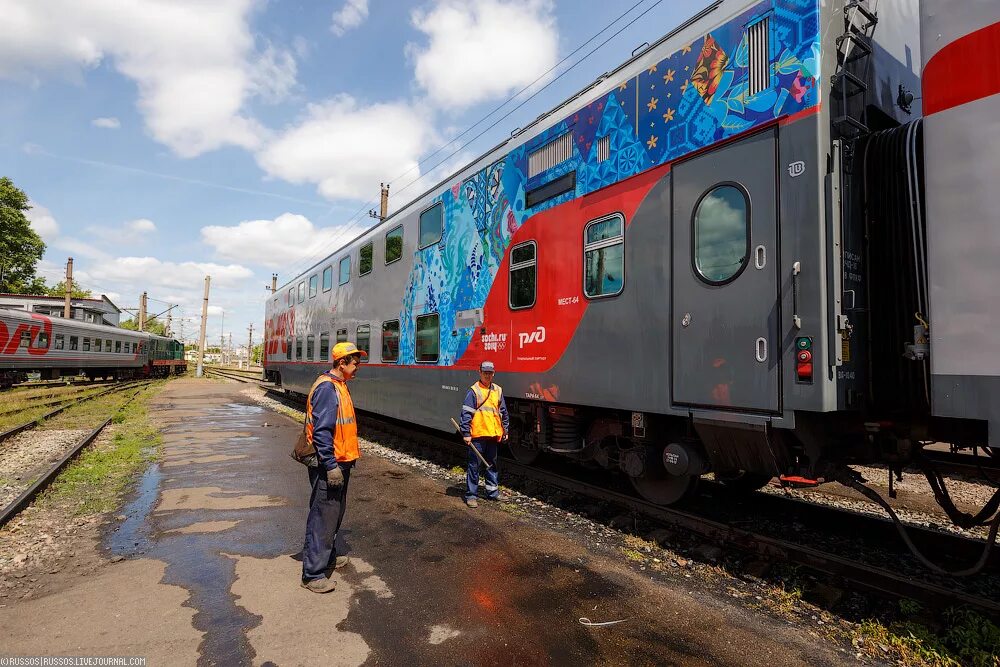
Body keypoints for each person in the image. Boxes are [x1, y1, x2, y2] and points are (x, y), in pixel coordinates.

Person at [301, 341, 366, 593]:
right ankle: (313, 574)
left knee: (334, 514)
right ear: (342, 363)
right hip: (331, 464)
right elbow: (322, 432)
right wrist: (330, 465)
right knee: (323, 516)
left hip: (342, 461)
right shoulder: (328, 389)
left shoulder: (340, 386)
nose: (358, 366)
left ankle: (327, 557)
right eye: (355, 362)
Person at [459, 360, 509, 508]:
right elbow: (466, 414)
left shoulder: (497, 390)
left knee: (491, 464)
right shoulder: (474, 391)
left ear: (493, 373)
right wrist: (466, 433)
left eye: (490, 373)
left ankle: (492, 492)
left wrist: (505, 430)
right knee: (474, 466)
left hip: (493, 434)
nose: (487, 375)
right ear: (479, 372)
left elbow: (503, 412)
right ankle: (471, 496)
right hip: (478, 435)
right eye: (485, 372)